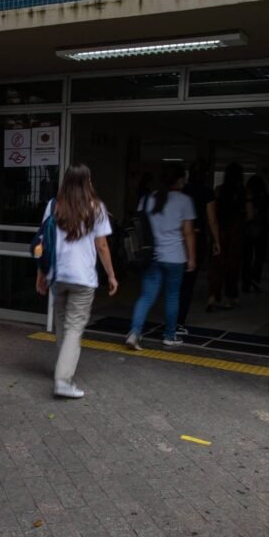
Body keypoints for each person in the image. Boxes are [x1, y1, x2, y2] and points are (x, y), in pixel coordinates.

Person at [35, 164, 118, 399]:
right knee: (73, 328)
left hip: (58, 276)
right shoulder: (96, 208)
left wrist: (41, 274)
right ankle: (63, 380)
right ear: (87, 182)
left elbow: (43, 243)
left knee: (63, 324)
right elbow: (102, 246)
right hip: (83, 278)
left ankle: (62, 369)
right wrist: (111, 275)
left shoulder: (54, 205)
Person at [126, 164, 196, 350]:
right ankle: (169, 336)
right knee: (172, 297)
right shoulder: (185, 201)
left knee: (146, 296)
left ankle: (134, 332)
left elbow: (139, 227)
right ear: (179, 180)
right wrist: (192, 257)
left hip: (151, 256)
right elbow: (188, 232)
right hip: (175, 257)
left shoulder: (147, 199)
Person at [177, 158, 215, 334]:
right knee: (188, 282)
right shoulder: (207, 193)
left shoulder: (182, 191)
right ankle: (179, 321)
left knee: (176, 282)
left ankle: (174, 320)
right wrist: (217, 240)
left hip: (178, 239)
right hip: (196, 237)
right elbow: (212, 220)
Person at [206, 163, 246, 311]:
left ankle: (213, 295)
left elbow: (213, 213)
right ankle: (231, 296)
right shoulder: (243, 192)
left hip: (220, 229)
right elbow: (249, 214)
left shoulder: (219, 190)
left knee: (217, 264)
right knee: (233, 264)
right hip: (236, 231)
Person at [242, 174, 269, 293]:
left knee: (247, 257)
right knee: (259, 257)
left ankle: (246, 282)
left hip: (248, 229)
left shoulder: (247, 197)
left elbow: (246, 215)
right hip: (262, 229)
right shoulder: (266, 198)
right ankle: (255, 279)